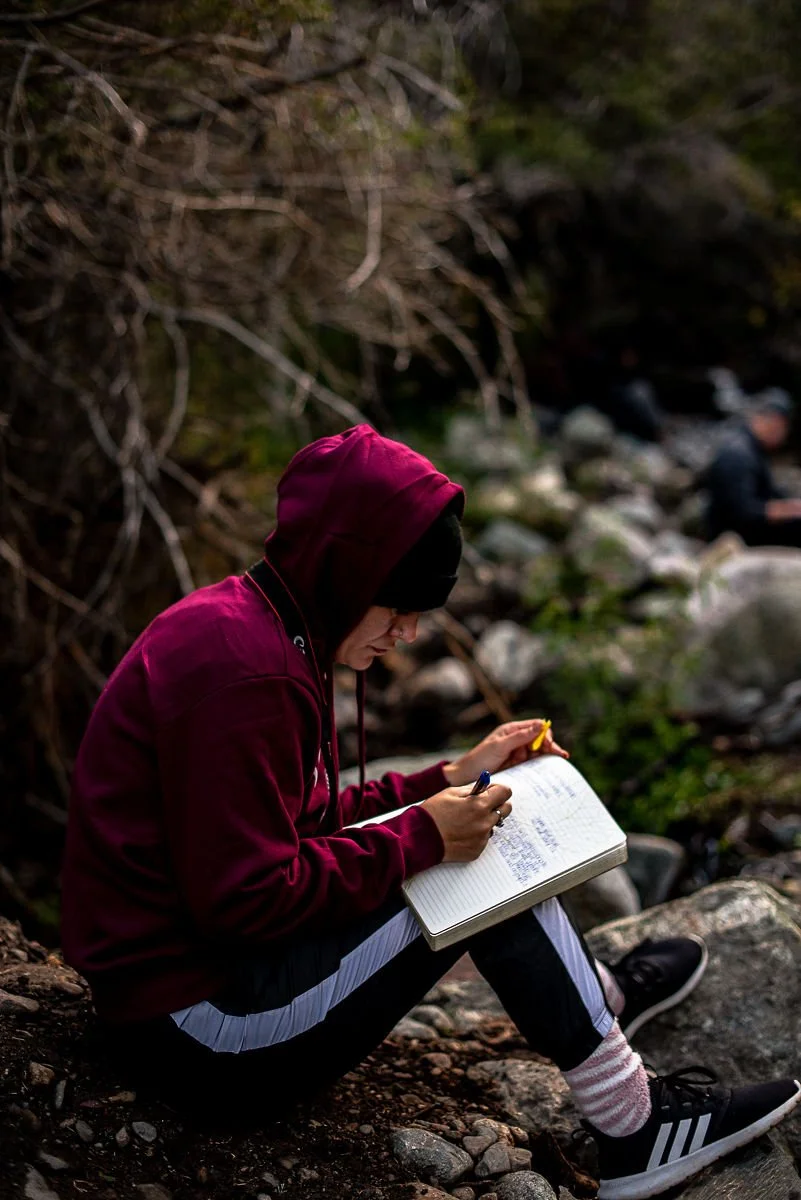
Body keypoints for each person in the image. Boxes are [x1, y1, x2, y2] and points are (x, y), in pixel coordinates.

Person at [62, 425, 799, 1200]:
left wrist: (449, 776)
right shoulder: (250, 676)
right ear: (345, 573)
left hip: (201, 983)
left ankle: (585, 996)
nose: (407, 633)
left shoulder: (257, 628)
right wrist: (424, 833)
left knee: (466, 825)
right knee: (469, 861)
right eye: (398, 607)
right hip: (199, 1035)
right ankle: (631, 1121)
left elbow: (302, 821)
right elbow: (245, 899)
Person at [703, 389, 801, 546]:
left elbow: (769, 493)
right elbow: (742, 512)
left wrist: (791, 506)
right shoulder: (738, 453)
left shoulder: (750, 448)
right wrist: (788, 510)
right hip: (733, 535)